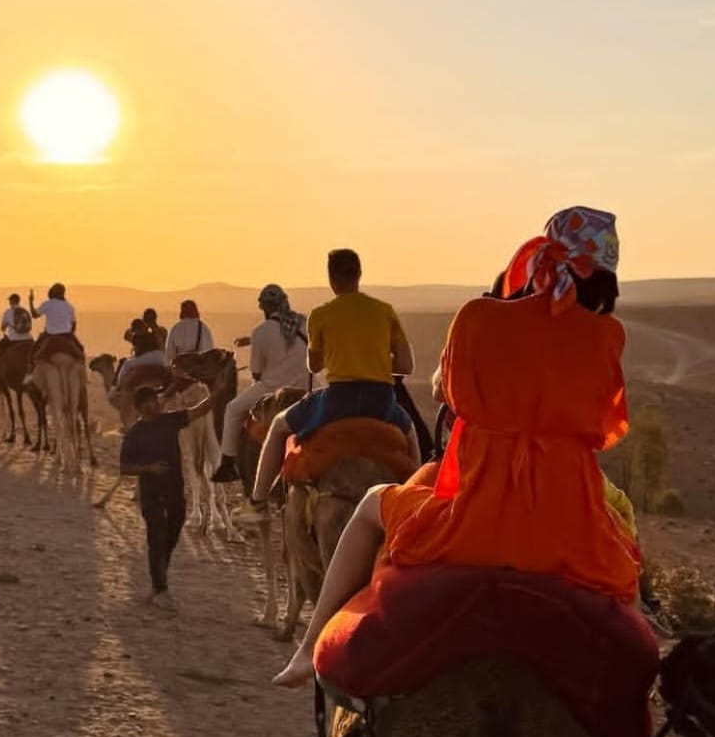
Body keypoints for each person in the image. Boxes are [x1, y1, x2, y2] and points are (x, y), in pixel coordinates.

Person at [272, 206, 639, 688]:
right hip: (570, 524)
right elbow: (604, 429)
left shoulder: (478, 316)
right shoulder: (609, 337)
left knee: (368, 505)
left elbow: (450, 395)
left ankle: (308, 648)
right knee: (628, 584)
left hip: (476, 513)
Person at [248, 250, 418, 511]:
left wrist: (341, 356)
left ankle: (257, 502)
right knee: (411, 435)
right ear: (359, 274)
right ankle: (418, 502)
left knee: (280, 426)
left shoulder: (321, 314)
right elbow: (406, 365)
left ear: (331, 278)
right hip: (381, 401)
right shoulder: (385, 311)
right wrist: (377, 363)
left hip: (339, 400)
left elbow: (314, 365)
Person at [120, 382, 217, 611]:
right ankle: (161, 589)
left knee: (170, 535)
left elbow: (199, 411)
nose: (154, 404)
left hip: (174, 491)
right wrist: (148, 468)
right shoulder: (135, 433)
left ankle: (158, 579)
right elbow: (124, 467)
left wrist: (218, 390)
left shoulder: (169, 421)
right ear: (140, 407)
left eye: (155, 399)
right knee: (156, 536)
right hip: (151, 495)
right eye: (149, 402)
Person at [210, 284, 309, 483]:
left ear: (264, 308)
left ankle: (228, 463)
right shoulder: (302, 322)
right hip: (304, 386)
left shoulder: (261, 331)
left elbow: (256, 372)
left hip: (272, 388)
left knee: (232, 409)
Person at [166, 300, 215, 364]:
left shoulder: (176, 328)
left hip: (181, 369)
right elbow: (210, 350)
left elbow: (170, 354)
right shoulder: (204, 328)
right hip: (200, 368)